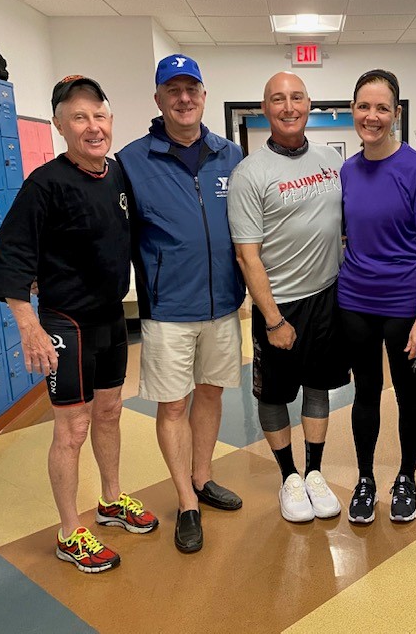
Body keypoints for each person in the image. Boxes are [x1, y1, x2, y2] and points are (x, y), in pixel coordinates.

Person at [0, 75, 158, 574]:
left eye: (99, 115)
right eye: (79, 117)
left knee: (108, 413)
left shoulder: (118, 174)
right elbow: (11, 255)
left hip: (108, 316)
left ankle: (110, 500)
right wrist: (29, 325)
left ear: (111, 120)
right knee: (72, 426)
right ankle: (68, 532)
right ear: (60, 125)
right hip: (66, 321)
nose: (92, 126)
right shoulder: (45, 185)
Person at [116, 55, 245, 554]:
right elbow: (110, 232)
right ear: (158, 99)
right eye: (173, 90)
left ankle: (203, 477)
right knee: (173, 405)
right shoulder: (131, 161)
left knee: (211, 396)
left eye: (192, 88)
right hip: (168, 309)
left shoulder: (229, 155)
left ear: (204, 96)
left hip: (222, 307)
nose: (184, 98)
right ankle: (186, 502)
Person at [227, 72, 349, 523]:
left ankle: (314, 471)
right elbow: (246, 256)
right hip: (278, 303)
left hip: (328, 296)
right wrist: (274, 319)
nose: (288, 106)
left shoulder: (331, 161)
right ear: (265, 107)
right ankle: (288, 476)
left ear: (309, 103)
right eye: (278, 99)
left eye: (296, 97)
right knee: (275, 393)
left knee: (319, 385)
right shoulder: (250, 173)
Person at [338, 70, 416, 524]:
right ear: (352, 110)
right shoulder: (347, 170)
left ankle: (407, 477)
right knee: (366, 393)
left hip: (402, 304)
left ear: (395, 114)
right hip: (355, 299)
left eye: (382, 108)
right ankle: (365, 479)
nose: (371, 116)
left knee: (409, 394)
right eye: (363, 106)